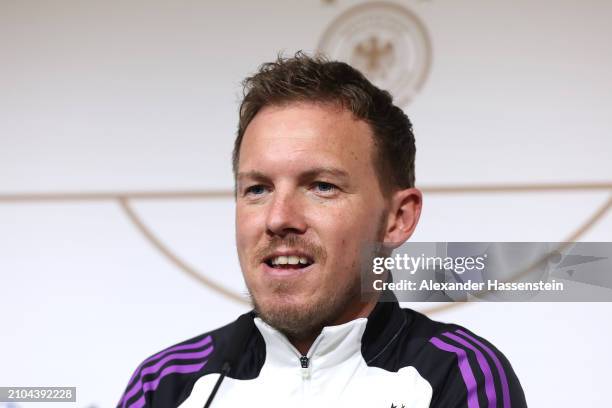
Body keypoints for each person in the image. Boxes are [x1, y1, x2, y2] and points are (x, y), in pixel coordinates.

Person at [116, 52, 527, 408]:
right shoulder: (166, 384)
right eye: (257, 189)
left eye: (322, 187)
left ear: (398, 218)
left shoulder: (458, 373)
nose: (278, 218)